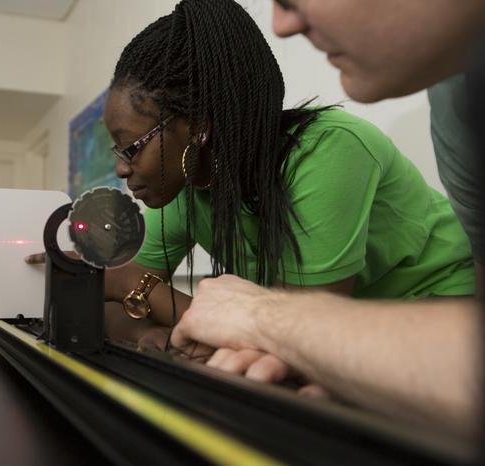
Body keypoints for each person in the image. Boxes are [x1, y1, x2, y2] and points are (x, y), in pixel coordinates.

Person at [171, 0, 485, 436]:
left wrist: (269, 320)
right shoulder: (458, 101)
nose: (281, 25)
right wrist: (357, 362)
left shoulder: (333, 145)